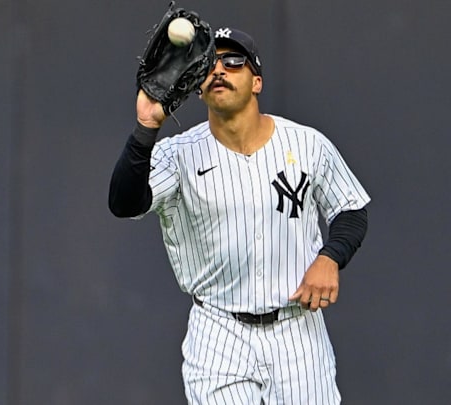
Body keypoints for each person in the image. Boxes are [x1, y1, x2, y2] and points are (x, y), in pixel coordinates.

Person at [109, 27, 370, 404]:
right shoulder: (178, 154)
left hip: (297, 330)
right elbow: (124, 203)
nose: (219, 70)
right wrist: (147, 125)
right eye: (208, 65)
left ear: (257, 81)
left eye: (233, 61)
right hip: (218, 331)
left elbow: (351, 208)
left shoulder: (307, 144)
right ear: (196, 87)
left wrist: (331, 257)